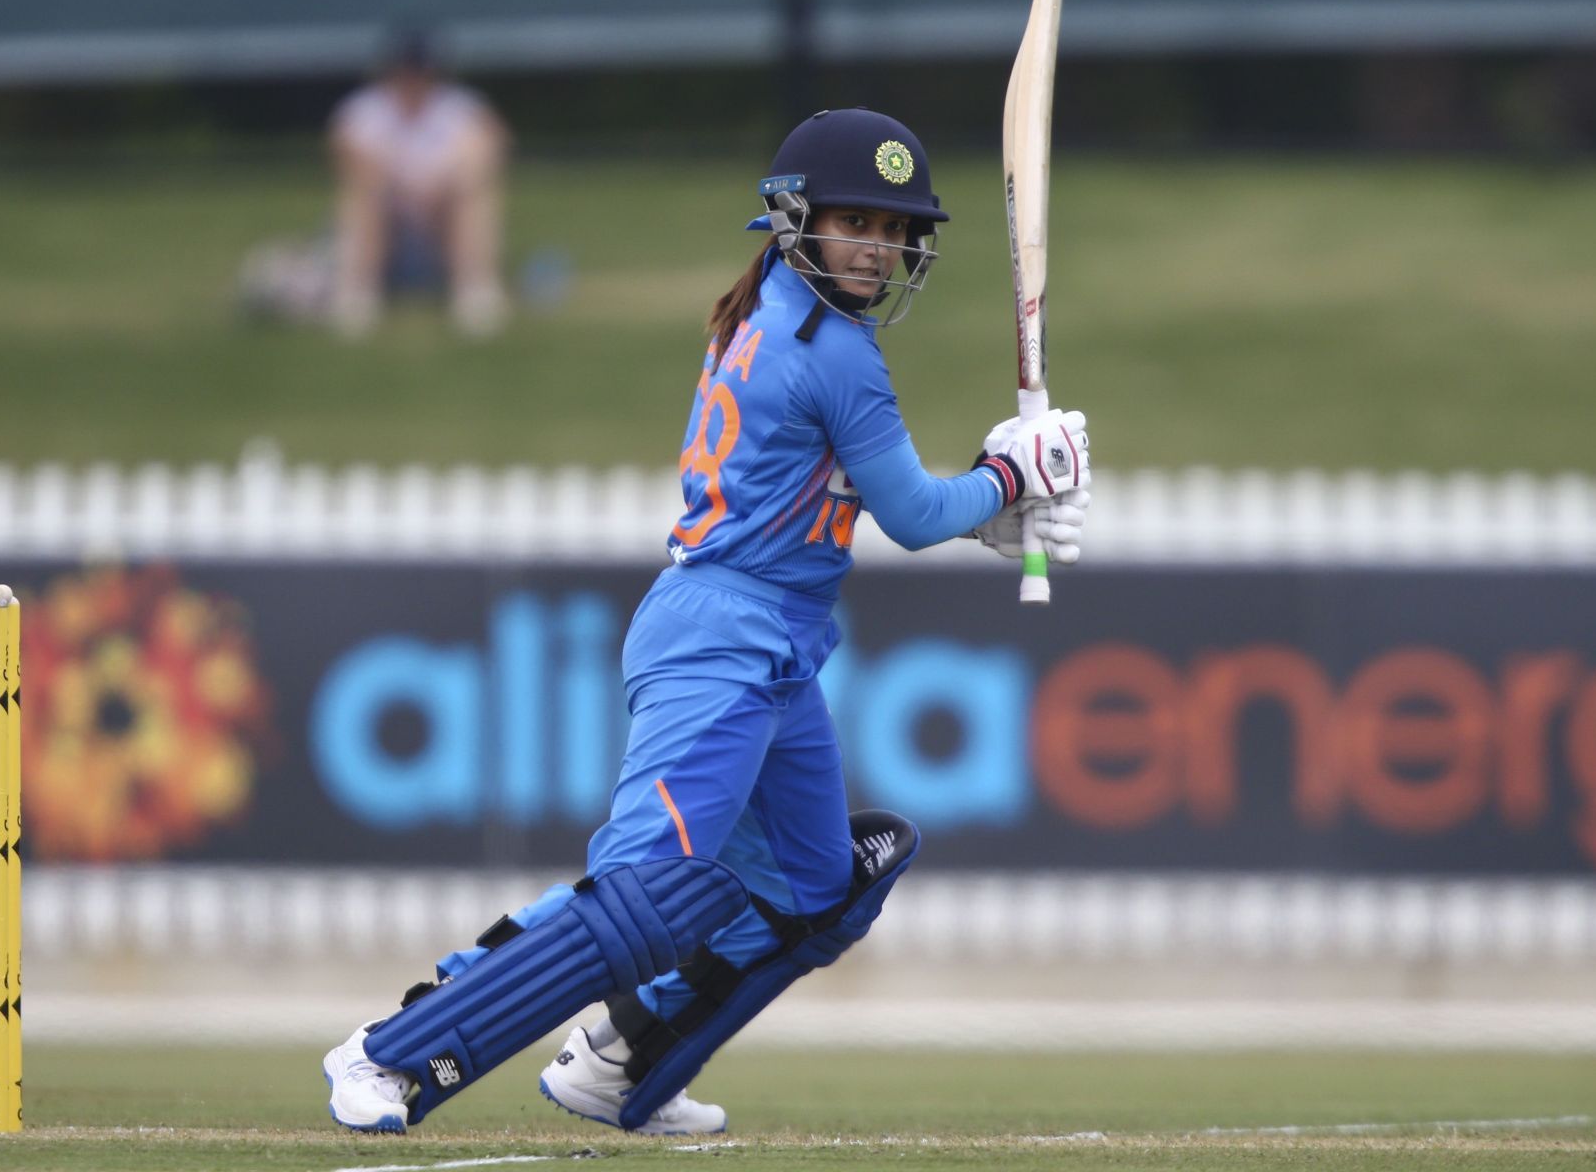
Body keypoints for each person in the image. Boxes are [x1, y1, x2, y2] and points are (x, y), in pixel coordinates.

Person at [320, 107, 1092, 1135]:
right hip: (719, 641)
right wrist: (1009, 477)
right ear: (796, 220)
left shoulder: (772, 309)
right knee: (654, 892)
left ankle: (619, 1059)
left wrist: (992, 503)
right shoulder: (834, 350)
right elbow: (909, 514)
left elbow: (836, 494)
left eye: (894, 228)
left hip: (769, 650)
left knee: (822, 885)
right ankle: (390, 1049)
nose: (879, 247)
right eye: (855, 221)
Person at [326, 29, 512, 338]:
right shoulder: (365, 110)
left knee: (471, 194)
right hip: (389, 224)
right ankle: (358, 294)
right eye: (405, 70)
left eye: (419, 70)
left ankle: (475, 291)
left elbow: (490, 148)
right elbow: (350, 158)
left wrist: (441, 187)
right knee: (365, 194)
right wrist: (400, 189)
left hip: (442, 223)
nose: (412, 79)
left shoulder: (460, 108)